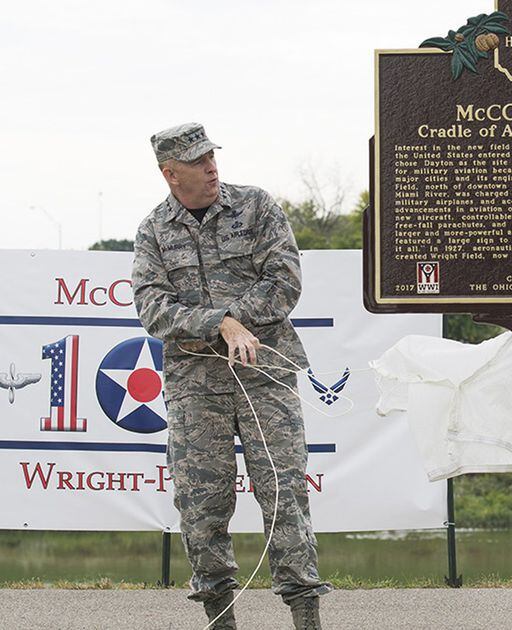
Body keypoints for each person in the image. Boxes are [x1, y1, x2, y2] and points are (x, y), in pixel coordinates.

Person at [132, 123, 331, 630]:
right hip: (196, 387)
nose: (212, 167)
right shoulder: (154, 230)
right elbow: (152, 307)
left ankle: (306, 618)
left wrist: (237, 318)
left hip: (264, 375)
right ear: (170, 173)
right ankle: (220, 621)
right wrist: (218, 323)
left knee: (285, 495)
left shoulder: (257, 206)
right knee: (202, 504)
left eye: (212, 157)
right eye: (198, 162)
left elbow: (285, 279)